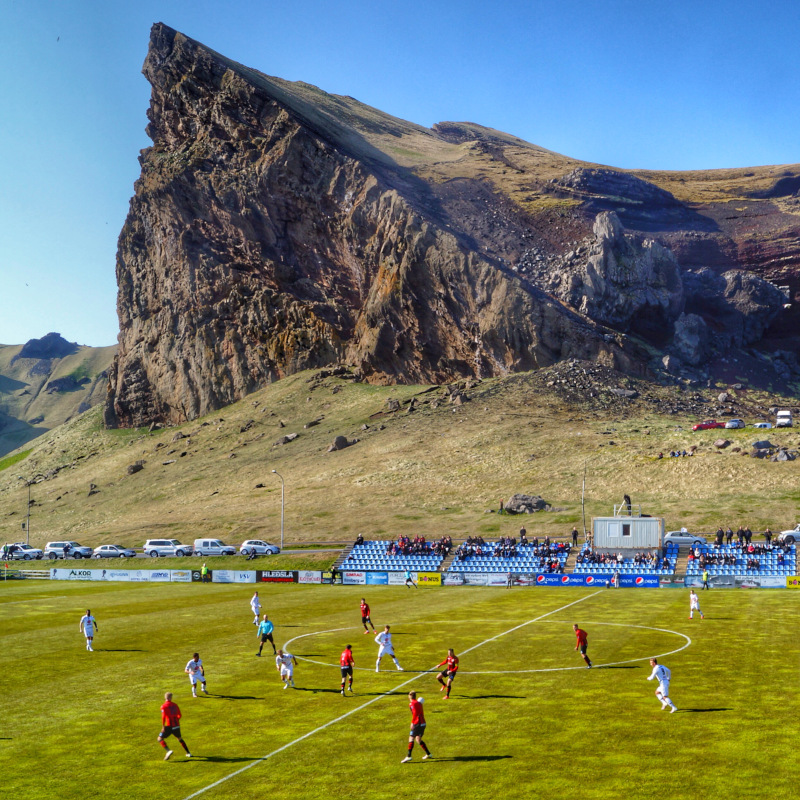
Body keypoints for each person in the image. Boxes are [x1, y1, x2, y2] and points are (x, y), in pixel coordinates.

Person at [158, 692, 192, 759]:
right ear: (171, 698)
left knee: (159, 738)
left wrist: (163, 726)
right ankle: (188, 753)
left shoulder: (163, 706)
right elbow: (179, 715)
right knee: (179, 738)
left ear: (165, 698)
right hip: (176, 725)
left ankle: (168, 751)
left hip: (169, 725)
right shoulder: (175, 705)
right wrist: (176, 720)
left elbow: (163, 717)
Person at [401, 691, 432, 763]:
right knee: (418, 739)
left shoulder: (412, 704)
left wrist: (412, 723)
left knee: (411, 738)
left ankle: (409, 756)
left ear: (409, 696)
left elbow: (415, 713)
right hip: (423, 723)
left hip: (417, 723)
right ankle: (429, 754)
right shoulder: (419, 703)